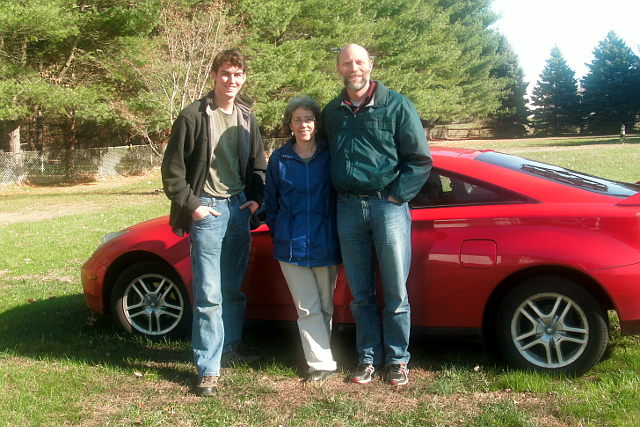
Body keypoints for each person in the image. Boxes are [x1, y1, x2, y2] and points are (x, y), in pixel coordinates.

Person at [322, 43, 432, 386]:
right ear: (339, 68)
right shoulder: (332, 112)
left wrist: (397, 195)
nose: (353, 68)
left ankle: (398, 360)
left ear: (370, 64)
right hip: (348, 208)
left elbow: (419, 159)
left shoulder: (397, 106)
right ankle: (368, 358)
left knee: (396, 291)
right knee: (360, 292)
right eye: (346, 63)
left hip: (388, 208)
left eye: (359, 62)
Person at [161, 49, 266, 396]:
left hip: (238, 210)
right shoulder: (193, 115)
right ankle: (208, 367)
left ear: (244, 78)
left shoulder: (247, 115)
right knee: (208, 293)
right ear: (214, 75)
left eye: (237, 74)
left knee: (232, 289)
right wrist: (194, 207)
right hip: (207, 210)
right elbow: (172, 171)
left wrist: (256, 199)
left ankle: (229, 348)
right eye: (225, 73)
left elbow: (258, 163)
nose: (231, 80)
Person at [264, 95, 341, 381]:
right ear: (290, 124)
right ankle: (319, 364)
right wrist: (280, 232)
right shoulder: (280, 158)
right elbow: (271, 203)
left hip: (326, 242)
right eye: (297, 119)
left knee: (325, 305)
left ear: (316, 123)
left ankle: (323, 355)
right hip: (291, 245)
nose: (303, 124)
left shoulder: (329, 154)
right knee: (307, 307)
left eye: (308, 118)